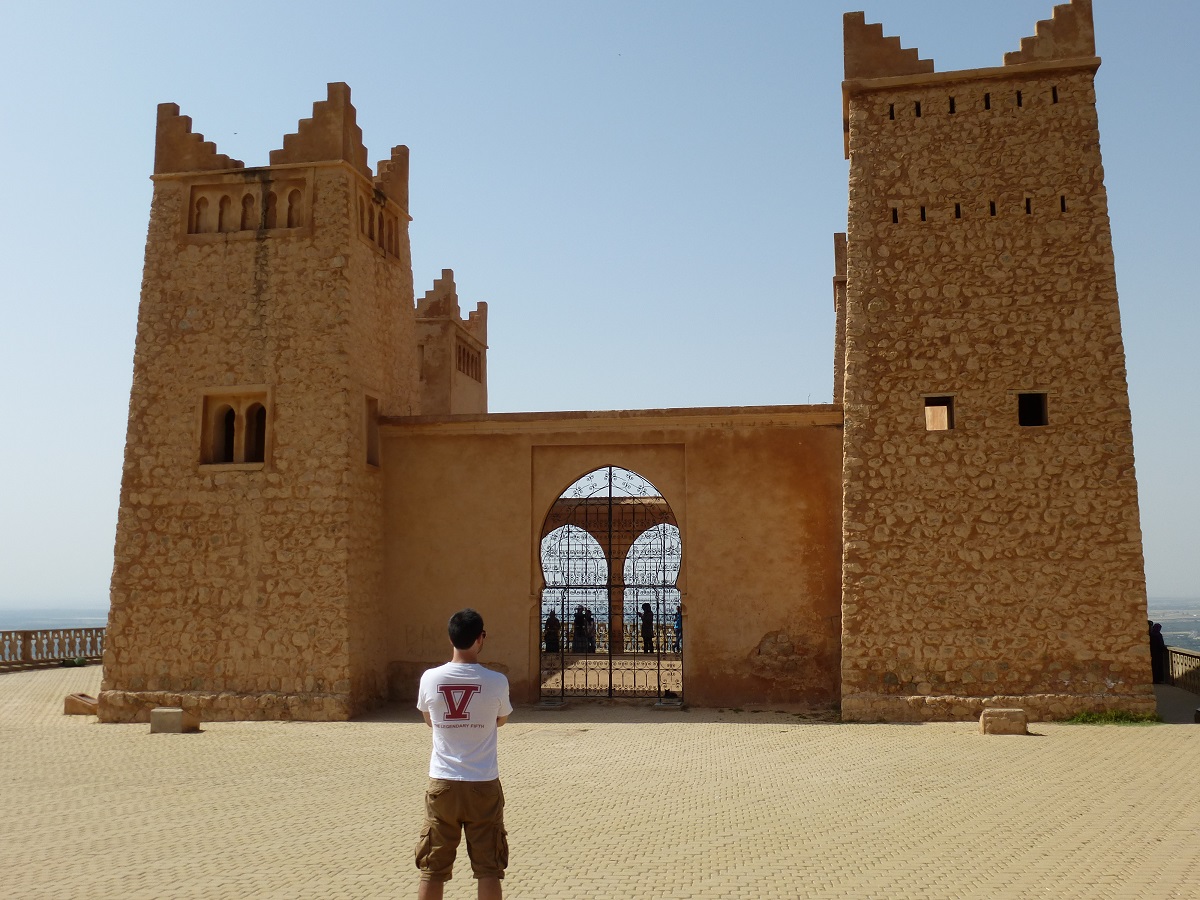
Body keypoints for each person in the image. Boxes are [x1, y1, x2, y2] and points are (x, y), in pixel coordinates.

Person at [415, 609, 512, 900]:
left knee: (433, 867)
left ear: (450, 637)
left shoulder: (430, 679)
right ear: (481, 638)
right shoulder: (496, 681)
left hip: (442, 784)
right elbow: (501, 719)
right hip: (483, 783)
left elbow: (429, 719)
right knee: (489, 868)